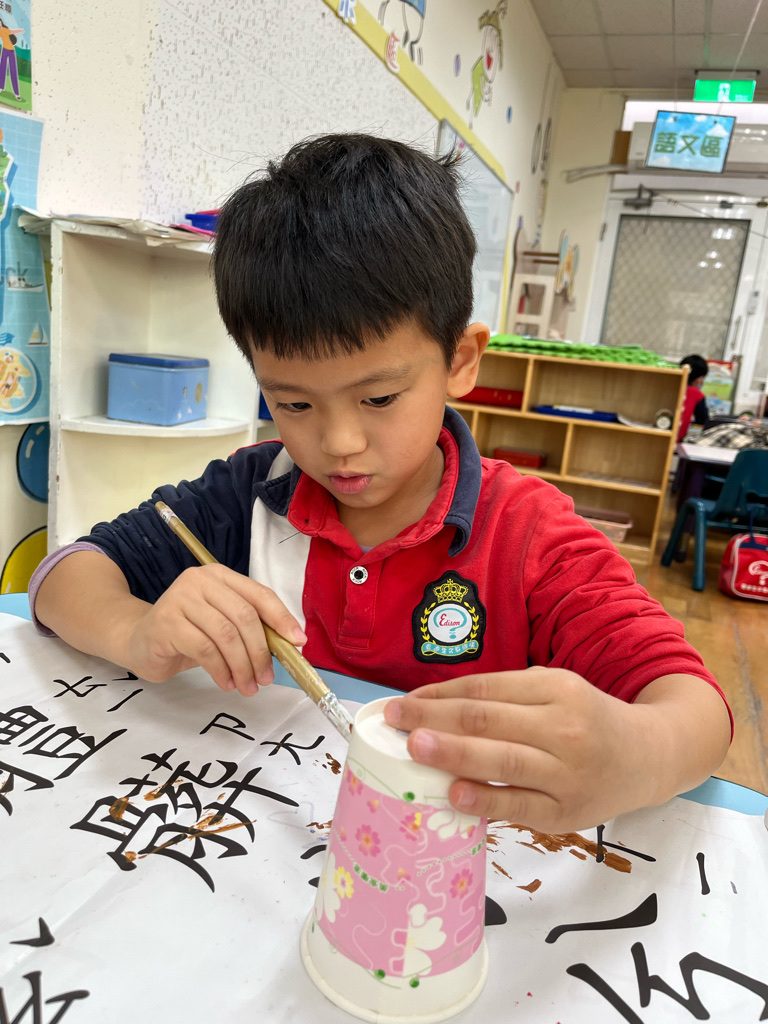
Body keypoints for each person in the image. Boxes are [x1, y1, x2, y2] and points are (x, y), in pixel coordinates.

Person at [31, 134, 731, 835]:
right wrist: (137, 632)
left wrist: (636, 753)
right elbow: (64, 576)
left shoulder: (529, 534)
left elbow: (696, 708)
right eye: (293, 403)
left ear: (461, 361)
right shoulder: (249, 492)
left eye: (379, 398)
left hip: (455, 859)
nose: (339, 443)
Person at [677, 353, 711, 442]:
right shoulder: (697, 395)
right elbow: (701, 421)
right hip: (678, 440)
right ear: (700, 378)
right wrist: (692, 441)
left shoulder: (671, 387)